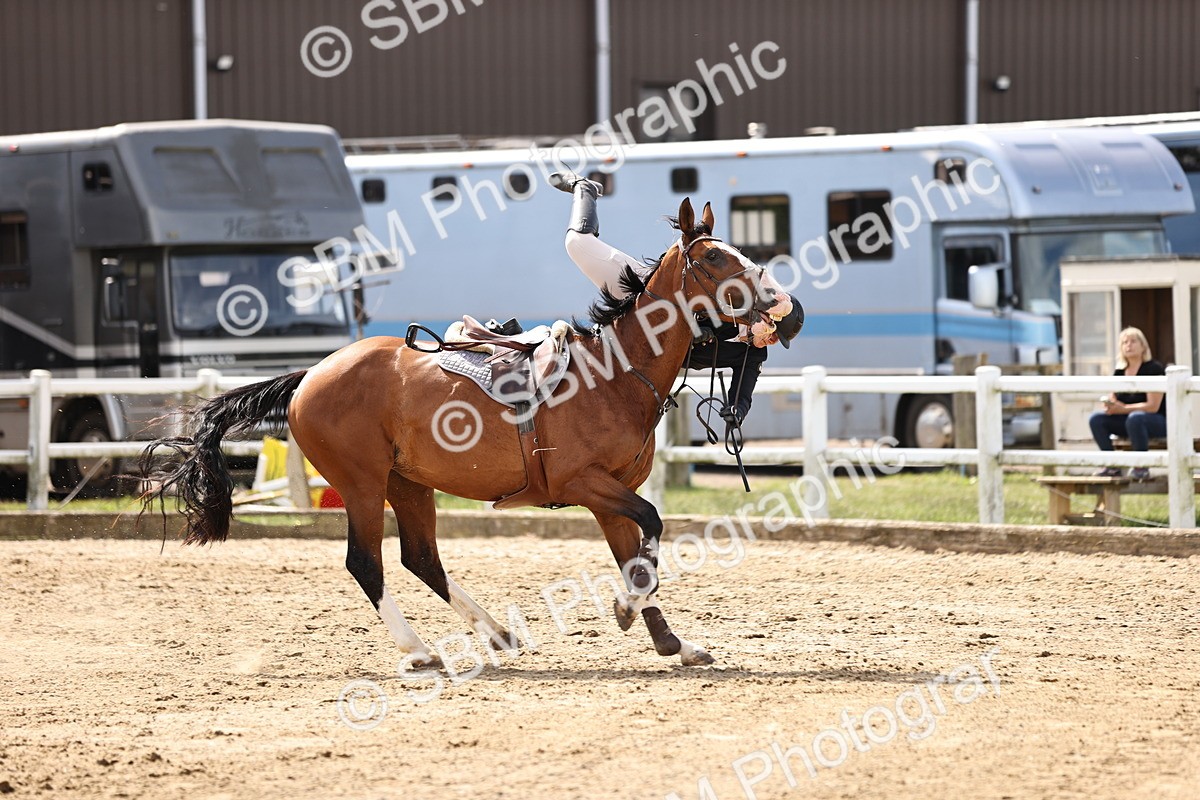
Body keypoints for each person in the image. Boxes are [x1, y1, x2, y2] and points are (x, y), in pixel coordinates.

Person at [549, 171, 803, 428]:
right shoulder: (734, 300)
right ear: (766, 319)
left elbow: (743, 391)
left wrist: (736, 412)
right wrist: (695, 329)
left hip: (638, 374)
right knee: (577, 243)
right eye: (773, 334)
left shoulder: (753, 355)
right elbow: (690, 292)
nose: (768, 342)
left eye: (774, 341)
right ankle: (585, 189)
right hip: (643, 293)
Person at [1089, 326, 1166, 479]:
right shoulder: (1119, 372)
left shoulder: (1153, 368)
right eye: (1125, 342)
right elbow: (1113, 399)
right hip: (1128, 422)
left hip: (1156, 421)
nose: (1128, 345)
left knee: (1135, 418)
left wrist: (1123, 409)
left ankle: (1141, 467)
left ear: (1143, 346)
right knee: (1096, 419)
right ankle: (1111, 465)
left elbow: (1153, 406)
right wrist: (1110, 407)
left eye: (1133, 341)